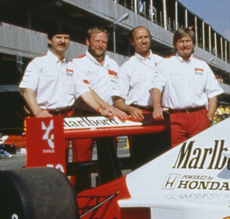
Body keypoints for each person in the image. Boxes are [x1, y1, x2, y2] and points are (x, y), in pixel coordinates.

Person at [19, 24, 121, 120]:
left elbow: (85, 92)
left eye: (66, 38)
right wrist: (37, 111)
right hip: (44, 116)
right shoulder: (38, 63)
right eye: (58, 37)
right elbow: (28, 91)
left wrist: (100, 109)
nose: (62, 41)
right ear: (50, 40)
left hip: (67, 117)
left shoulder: (72, 66)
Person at [151, 27, 223, 147]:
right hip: (175, 118)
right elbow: (156, 88)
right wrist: (156, 107)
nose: (185, 45)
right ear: (175, 44)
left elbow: (213, 93)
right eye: (181, 41)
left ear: (194, 44)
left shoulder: (202, 65)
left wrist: (208, 117)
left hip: (199, 117)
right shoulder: (165, 63)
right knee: (176, 156)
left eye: (188, 41)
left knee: (201, 153)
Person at [113, 26, 166, 165]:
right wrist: (131, 110)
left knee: (163, 161)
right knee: (140, 163)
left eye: (146, 37)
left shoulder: (163, 63)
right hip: (139, 117)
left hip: (162, 117)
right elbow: (118, 101)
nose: (143, 41)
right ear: (132, 42)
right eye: (139, 38)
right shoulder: (126, 67)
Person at [71, 27, 122, 166]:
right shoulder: (77, 63)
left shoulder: (114, 64)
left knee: (109, 163)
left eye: (104, 42)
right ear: (88, 41)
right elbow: (86, 90)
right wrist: (104, 107)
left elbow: (117, 93)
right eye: (97, 41)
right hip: (83, 117)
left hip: (108, 118)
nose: (100, 45)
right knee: (81, 163)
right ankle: (82, 188)